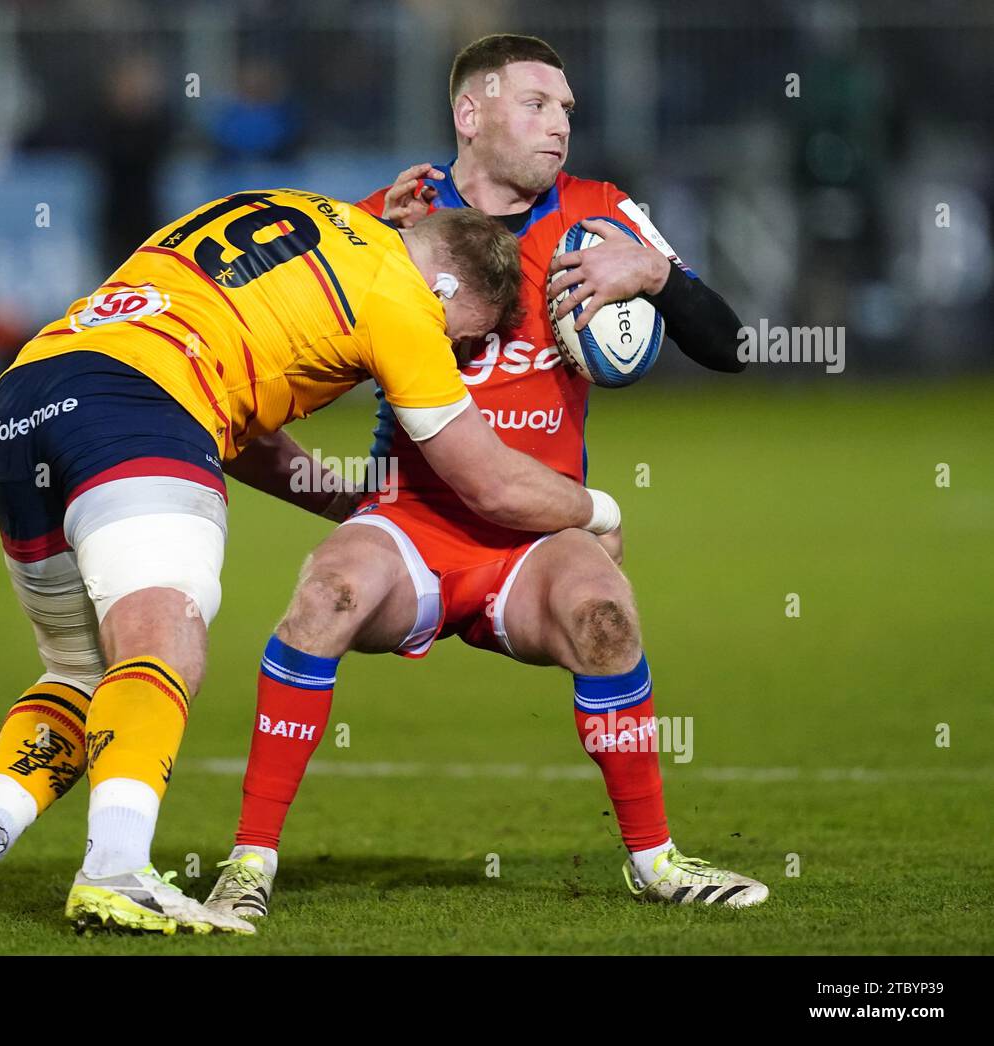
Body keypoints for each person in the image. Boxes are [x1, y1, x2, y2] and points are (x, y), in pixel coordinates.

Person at [0, 186, 624, 935]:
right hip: (143, 408)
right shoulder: (401, 298)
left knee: (81, 672)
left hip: (26, 398)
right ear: (447, 283)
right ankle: (116, 869)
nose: (456, 352)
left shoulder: (297, 212)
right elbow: (486, 479)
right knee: (165, 638)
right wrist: (599, 511)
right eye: (463, 335)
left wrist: (340, 503)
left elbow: (239, 409)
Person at [204, 34, 769, 921]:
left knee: (605, 617)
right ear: (471, 114)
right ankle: (249, 863)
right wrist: (337, 496)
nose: (560, 127)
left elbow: (734, 348)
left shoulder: (604, 216)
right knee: (325, 596)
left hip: (537, 533)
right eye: (538, 104)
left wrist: (654, 274)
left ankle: (657, 863)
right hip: (411, 528)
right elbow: (274, 366)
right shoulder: (389, 223)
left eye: (569, 110)